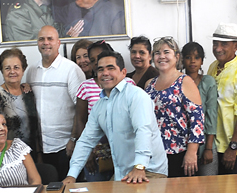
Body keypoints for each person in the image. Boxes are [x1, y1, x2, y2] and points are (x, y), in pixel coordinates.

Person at [63, 51, 168, 185]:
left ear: (123, 73)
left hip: (148, 170)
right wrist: (72, 175)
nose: (105, 73)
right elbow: (86, 141)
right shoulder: (99, 106)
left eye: (110, 68)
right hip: (123, 173)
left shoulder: (136, 96)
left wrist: (140, 166)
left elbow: (143, 131)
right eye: (100, 70)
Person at [26, 26, 86, 181]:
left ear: (58, 43)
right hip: (40, 148)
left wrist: (73, 140)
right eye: (41, 39)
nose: (45, 43)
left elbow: (81, 109)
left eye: (50, 39)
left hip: (65, 147)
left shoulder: (71, 69)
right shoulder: (32, 70)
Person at [69, 40, 135, 181]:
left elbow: (141, 128)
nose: (97, 63)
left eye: (100, 58)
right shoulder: (86, 87)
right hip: (96, 150)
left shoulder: (130, 86)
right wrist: (88, 153)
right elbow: (81, 121)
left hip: (126, 152)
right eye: (92, 60)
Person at [145, 37, 205, 177]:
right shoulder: (149, 84)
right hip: (154, 153)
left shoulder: (185, 81)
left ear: (177, 57)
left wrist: (191, 152)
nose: (162, 56)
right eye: (157, 53)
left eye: (166, 52)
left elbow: (197, 120)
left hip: (179, 152)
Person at [207, 23, 237, 174]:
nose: (218, 48)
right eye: (215, 43)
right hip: (218, 145)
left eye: (224, 44)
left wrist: (233, 147)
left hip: (236, 149)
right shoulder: (213, 66)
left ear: (236, 46)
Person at [0, 48, 42, 156]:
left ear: (23, 70)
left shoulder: (28, 93)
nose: (12, 71)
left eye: (16, 67)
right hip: (8, 155)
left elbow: (35, 127)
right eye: (7, 68)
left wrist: (39, 153)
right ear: (2, 70)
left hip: (31, 152)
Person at [181, 42, 219, 176]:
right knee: (186, 189)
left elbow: (211, 115)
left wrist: (208, 148)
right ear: (182, 60)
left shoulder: (208, 82)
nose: (192, 61)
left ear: (202, 61)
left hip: (205, 145)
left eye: (196, 58)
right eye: (188, 57)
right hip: (183, 146)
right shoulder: (177, 82)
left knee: (209, 188)